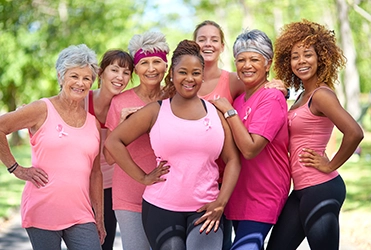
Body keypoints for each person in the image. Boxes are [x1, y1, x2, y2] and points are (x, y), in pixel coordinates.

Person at [105, 39, 241, 250]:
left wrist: (221, 202)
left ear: (203, 75)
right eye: (182, 72)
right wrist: (143, 177)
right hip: (161, 208)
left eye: (196, 72)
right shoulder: (155, 111)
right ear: (172, 74)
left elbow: (233, 160)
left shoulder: (216, 113)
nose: (189, 78)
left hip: (206, 207)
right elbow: (114, 142)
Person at [266, 19, 364, 250]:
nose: (301, 61)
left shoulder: (321, 95)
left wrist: (330, 165)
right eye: (295, 56)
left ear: (321, 57)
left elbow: (354, 132)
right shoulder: (301, 97)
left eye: (307, 54)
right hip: (301, 190)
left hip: (321, 187)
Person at [0, 44, 105, 250]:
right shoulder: (41, 109)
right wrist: (16, 168)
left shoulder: (94, 123)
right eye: (74, 76)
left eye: (87, 78)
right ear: (60, 77)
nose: (80, 83)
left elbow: (95, 173)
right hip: (43, 210)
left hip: (81, 214)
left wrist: (98, 218)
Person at [210, 29, 291, 250]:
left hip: (264, 193)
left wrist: (228, 112)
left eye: (254, 59)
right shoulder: (239, 100)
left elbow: (250, 149)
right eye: (241, 59)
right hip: (237, 193)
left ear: (268, 64)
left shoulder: (272, 97)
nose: (247, 65)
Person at [104, 31, 169, 250]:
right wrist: (123, 125)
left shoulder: (175, 98)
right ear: (136, 69)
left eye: (157, 61)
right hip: (129, 195)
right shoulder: (120, 102)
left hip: (167, 192)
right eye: (144, 63)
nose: (151, 68)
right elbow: (109, 157)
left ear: (166, 65)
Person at [86, 49, 134, 250]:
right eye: (114, 70)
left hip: (110, 188)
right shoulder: (82, 100)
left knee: (104, 243)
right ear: (101, 73)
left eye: (126, 73)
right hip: (81, 185)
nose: (120, 77)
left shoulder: (126, 107)